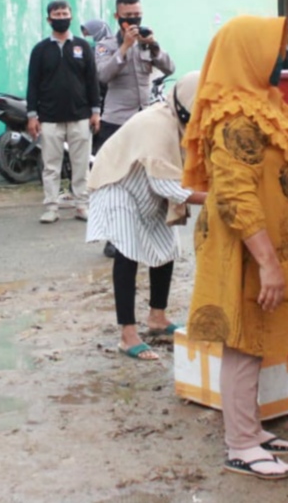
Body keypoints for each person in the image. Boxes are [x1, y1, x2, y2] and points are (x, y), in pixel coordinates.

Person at [183, 16, 288, 481]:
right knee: (242, 340)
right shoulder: (232, 118)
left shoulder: (265, 106)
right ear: (247, 54)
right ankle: (239, 444)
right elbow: (235, 196)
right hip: (245, 247)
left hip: (264, 247)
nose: (280, 58)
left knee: (257, 335)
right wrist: (268, 262)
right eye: (272, 49)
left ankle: (251, 428)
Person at [87, 71, 207, 360]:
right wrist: (218, 199)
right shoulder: (158, 124)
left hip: (147, 187)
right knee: (127, 253)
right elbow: (168, 185)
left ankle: (157, 318)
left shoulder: (178, 120)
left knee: (166, 247)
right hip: (119, 185)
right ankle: (128, 335)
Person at [26, 0, 100, 224]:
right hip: (49, 117)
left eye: (64, 13)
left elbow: (92, 80)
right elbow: (33, 84)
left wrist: (96, 111)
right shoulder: (40, 49)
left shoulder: (82, 46)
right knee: (51, 166)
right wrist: (32, 115)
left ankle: (82, 205)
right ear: (49, 19)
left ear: (71, 16)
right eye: (56, 14)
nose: (61, 17)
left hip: (80, 116)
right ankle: (51, 207)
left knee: (81, 165)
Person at [94, 0, 175, 152]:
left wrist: (154, 46)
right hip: (117, 119)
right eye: (128, 15)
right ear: (117, 16)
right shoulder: (106, 45)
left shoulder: (145, 42)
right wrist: (124, 47)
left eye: (137, 15)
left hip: (145, 116)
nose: (133, 19)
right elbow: (103, 75)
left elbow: (170, 68)